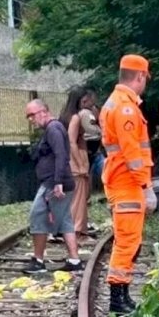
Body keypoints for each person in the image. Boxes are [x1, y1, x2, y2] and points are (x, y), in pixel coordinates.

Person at [100, 54, 157, 316]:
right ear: (140, 76)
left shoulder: (116, 104)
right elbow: (133, 154)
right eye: (145, 78)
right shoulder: (126, 108)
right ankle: (118, 300)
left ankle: (122, 296)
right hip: (127, 183)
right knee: (127, 241)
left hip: (122, 180)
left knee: (128, 240)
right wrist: (146, 186)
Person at [24, 99, 84, 274]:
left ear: (43, 111)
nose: (30, 120)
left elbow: (61, 155)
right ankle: (74, 260)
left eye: (31, 115)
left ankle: (38, 261)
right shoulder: (54, 128)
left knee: (37, 216)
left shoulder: (53, 129)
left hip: (53, 183)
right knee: (64, 220)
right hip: (56, 182)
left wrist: (58, 182)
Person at [59, 87, 95, 241]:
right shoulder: (75, 117)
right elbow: (72, 141)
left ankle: (73, 230)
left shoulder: (65, 116)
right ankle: (77, 232)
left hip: (70, 160)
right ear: (82, 100)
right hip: (76, 161)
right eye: (87, 99)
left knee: (75, 197)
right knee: (79, 198)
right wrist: (81, 164)